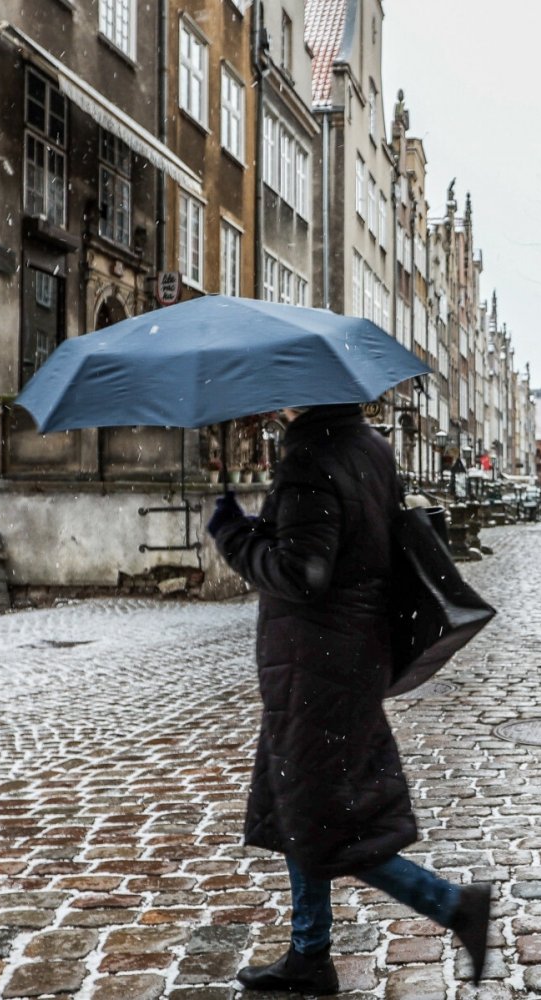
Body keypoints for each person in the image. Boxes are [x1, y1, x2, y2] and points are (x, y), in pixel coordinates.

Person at [207, 404, 492, 994]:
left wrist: (234, 534)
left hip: (316, 667)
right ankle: (309, 952)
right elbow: (343, 546)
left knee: (329, 822)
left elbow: (304, 573)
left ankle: (453, 906)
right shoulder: (369, 447)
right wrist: (266, 526)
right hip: (347, 655)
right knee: (299, 804)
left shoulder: (310, 459)